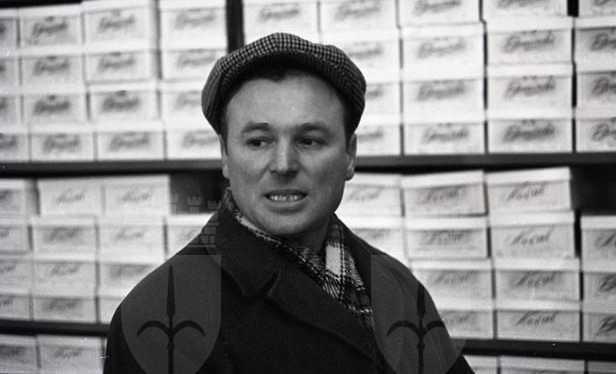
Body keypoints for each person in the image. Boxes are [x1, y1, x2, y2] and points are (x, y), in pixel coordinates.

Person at [104, 33, 474, 374]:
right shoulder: (158, 315)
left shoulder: (396, 283)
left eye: (309, 140)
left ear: (350, 155)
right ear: (225, 157)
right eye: (258, 141)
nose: (283, 164)